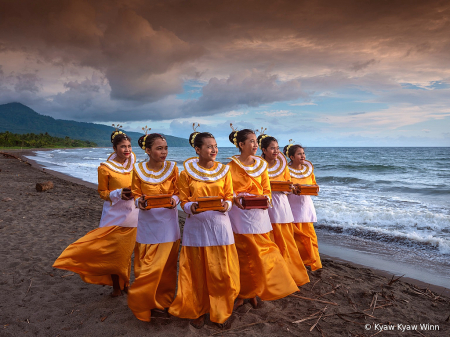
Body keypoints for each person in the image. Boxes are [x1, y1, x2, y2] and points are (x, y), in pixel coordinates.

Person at [169, 125, 239, 330]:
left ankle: (220, 311)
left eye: (215, 146)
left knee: (221, 272)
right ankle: (198, 310)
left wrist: (227, 204)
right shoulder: (186, 173)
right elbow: (183, 200)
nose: (214, 150)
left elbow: (229, 195)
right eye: (209, 147)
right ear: (197, 149)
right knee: (197, 272)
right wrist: (193, 206)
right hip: (196, 226)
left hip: (220, 226)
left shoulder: (225, 170)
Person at [53, 128, 138, 297]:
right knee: (112, 253)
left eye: (129, 146)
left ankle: (126, 283)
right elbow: (102, 193)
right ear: (114, 149)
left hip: (131, 215)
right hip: (113, 216)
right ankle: (115, 286)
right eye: (123, 146)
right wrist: (119, 193)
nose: (127, 150)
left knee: (126, 253)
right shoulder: (105, 168)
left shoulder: (134, 166)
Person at [227, 125, 299, 310]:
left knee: (264, 252)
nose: (255, 144)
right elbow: (227, 191)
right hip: (239, 215)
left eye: (256, 142)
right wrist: (236, 198)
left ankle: (259, 289)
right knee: (243, 255)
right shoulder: (229, 167)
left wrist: (265, 199)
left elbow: (266, 189)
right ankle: (243, 294)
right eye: (251, 141)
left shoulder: (261, 166)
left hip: (259, 214)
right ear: (241, 144)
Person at [127, 130, 180, 322]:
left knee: (166, 267)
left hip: (168, 224)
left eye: (165, 148)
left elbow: (178, 191)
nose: (164, 152)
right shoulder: (138, 169)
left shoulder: (173, 168)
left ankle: (163, 303)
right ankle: (144, 300)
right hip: (148, 224)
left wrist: (175, 199)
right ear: (148, 150)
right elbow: (135, 193)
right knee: (147, 267)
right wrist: (138, 202)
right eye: (159, 149)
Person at [257, 131, 310, 287]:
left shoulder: (282, 166)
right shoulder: (258, 166)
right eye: (272, 148)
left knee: (287, 241)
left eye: (277, 148)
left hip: (281, 205)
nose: (276, 151)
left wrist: (290, 188)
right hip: (266, 206)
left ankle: (290, 273)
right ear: (264, 150)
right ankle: (273, 274)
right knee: (270, 241)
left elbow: (288, 184)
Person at [284, 142, 322, 271]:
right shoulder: (286, 171)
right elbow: (284, 187)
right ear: (292, 157)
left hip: (306, 206)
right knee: (297, 236)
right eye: (299, 154)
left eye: (303, 153)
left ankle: (313, 261)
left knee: (310, 235)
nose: (303, 156)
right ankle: (298, 263)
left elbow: (314, 185)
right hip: (292, 206)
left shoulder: (308, 170)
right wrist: (292, 189)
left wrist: (314, 189)